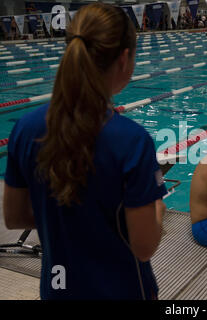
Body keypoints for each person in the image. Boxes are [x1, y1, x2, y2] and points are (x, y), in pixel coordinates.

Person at [3, 3, 167, 300]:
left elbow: (14, 217)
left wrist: (67, 217)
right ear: (125, 59)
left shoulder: (25, 129)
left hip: (57, 290)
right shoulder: (132, 140)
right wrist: (158, 209)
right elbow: (144, 247)